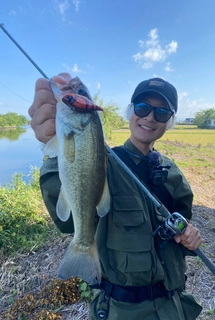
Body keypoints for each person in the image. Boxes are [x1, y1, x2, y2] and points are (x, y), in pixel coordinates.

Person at [29, 73, 203, 320]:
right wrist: (52, 150)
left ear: (169, 121)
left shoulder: (173, 174)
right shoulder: (104, 161)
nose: (150, 117)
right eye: (142, 108)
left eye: (161, 112)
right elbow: (67, 221)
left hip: (173, 308)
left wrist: (190, 238)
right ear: (131, 112)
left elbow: (180, 231)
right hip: (122, 311)